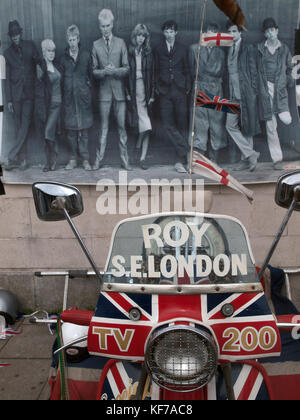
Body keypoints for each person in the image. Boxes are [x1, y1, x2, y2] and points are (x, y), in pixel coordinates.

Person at [92, 9, 131, 171]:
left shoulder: (121, 43)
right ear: (99, 27)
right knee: (103, 128)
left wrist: (114, 71)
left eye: (108, 25)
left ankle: (125, 161)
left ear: (112, 25)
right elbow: (94, 71)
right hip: (104, 94)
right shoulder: (95, 45)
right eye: (102, 26)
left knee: (122, 127)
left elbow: (127, 68)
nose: (105, 29)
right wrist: (104, 72)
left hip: (120, 93)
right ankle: (98, 161)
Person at [153, 20, 191, 173]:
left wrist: (187, 87)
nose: (169, 34)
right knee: (167, 123)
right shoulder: (158, 49)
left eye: (171, 31)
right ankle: (187, 150)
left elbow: (188, 69)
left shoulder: (183, 48)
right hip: (164, 91)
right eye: (166, 31)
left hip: (180, 90)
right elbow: (154, 69)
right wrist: (157, 86)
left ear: (176, 32)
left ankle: (181, 160)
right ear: (163, 33)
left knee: (182, 123)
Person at [256, 18, 294, 170]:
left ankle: (283, 113)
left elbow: (291, 68)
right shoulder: (260, 49)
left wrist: (287, 81)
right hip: (265, 90)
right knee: (271, 126)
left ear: (277, 31)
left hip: (280, 89)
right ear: (265, 34)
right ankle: (277, 159)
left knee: (286, 120)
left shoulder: (284, 49)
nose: (270, 33)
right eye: (267, 31)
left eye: (272, 30)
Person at [4, 20, 41, 171]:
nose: (15, 37)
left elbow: (39, 61)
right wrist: (9, 100)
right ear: (10, 37)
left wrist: (40, 66)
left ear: (21, 33)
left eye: (17, 34)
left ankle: (12, 156)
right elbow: (6, 79)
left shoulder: (30, 46)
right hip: (16, 95)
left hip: (29, 93)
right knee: (19, 127)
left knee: (25, 124)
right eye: (13, 35)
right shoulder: (7, 54)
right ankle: (22, 160)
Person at [225, 21, 261, 172]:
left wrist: (252, 91)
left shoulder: (248, 48)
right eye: (230, 31)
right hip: (233, 93)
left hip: (246, 93)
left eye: (234, 31)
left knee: (247, 126)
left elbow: (253, 72)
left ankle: (246, 160)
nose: (232, 34)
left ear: (240, 33)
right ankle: (251, 154)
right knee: (230, 125)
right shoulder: (229, 48)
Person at [189, 22, 226, 163]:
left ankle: (214, 158)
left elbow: (222, 72)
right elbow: (192, 71)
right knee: (200, 123)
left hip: (216, 88)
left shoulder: (221, 53)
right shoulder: (194, 49)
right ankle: (200, 158)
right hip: (200, 87)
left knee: (216, 123)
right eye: (208, 32)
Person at [60, 24, 93, 171]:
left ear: (78, 39)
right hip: (69, 99)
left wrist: (86, 92)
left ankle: (85, 160)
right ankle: (73, 159)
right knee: (71, 131)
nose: (72, 43)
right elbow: (60, 80)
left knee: (84, 131)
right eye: (70, 40)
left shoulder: (86, 55)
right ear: (67, 41)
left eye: (74, 39)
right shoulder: (63, 59)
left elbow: (91, 78)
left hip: (83, 98)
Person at [126, 23, 155, 170]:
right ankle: (139, 151)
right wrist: (126, 92)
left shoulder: (148, 52)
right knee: (142, 124)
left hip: (145, 89)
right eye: (139, 35)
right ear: (134, 36)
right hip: (133, 89)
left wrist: (152, 95)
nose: (141, 38)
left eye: (143, 35)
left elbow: (153, 74)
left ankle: (141, 156)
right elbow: (126, 74)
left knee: (146, 125)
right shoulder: (129, 51)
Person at [35, 39, 62, 172]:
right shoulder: (41, 68)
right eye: (48, 51)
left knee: (49, 132)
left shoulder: (56, 64)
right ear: (43, 52)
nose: (51, 53)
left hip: (59, 104)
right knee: (48, 132)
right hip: (48, 104)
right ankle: (51, 159)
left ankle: (52, 158)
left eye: (53, 51)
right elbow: (39, 89)